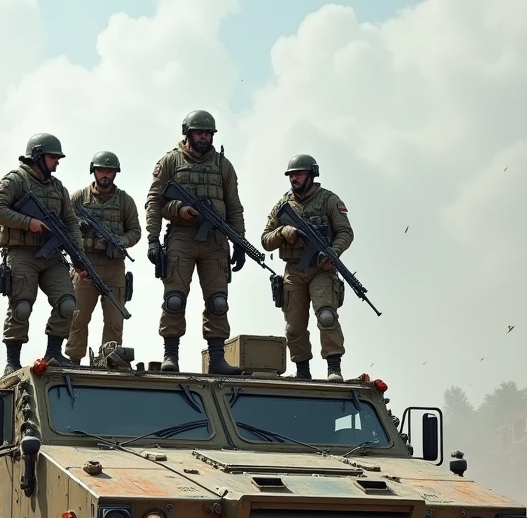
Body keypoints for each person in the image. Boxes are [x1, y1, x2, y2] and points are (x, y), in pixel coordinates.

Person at [145, 110, 246, 374]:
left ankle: (217, 359)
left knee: (218, 301)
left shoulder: (223, 165)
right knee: (174, 298)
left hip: (215, 239)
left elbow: (234, 206)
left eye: (208, 133)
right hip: (181, 237)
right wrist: (154, 238)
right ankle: (171, 355)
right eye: (200, 132)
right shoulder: (170, 161)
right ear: (188, 133)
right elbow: (156, 201)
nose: (204, 137)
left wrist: (240, 242)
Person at [0, 133, 81, 374]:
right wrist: (28, 222)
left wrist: (78, 253)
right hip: (22, 253)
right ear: (38, 156)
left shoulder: (58, 187)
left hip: (51, 256)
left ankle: (53, 352)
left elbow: (70, 222)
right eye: (53, 157)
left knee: (67, 303)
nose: (57, 162)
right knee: (21, 306)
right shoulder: (16, 180)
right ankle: (13, 361)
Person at [261, 154, 354, 382]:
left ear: (312, 175)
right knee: (293, 327)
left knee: (326, 316)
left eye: (299, 174)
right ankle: (302, 370)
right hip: (293, 271)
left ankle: (334, 367)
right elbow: (265, 239)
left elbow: (345, 232)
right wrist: (283, 232)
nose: (294, 178)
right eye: (291, 175)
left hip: (321, 269)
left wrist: (334, 251)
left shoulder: (329, 200)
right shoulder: (282, 206)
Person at [65, 151, 141, 364]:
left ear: (115, 173)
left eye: (109, 171)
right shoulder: (79, 198)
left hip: (114, 266)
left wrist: (120, 241)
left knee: (115, 320)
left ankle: (109, 360)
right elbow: (64, 228)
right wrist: (81, 234)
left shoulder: (125, 201)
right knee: (78, 316)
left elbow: (135, 231)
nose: (105, 174)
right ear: (94, 171)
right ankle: (74, 360)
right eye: (101, 170)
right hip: (85, 265)